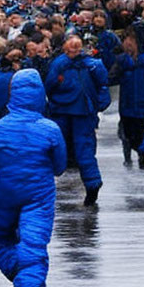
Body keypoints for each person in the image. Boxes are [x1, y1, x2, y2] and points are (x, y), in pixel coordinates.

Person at [0, 69, 67, 287]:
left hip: (4, 192)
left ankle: (19, 272)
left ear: (12, 94)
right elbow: (60, 166)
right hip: (39, 194)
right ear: (40, 95)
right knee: (33, 247)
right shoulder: (50, 129)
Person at [43, 34, 110, 206]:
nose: (74, 50)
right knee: (82, 148)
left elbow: (49, 87)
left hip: (68, 111)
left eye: (76, 47)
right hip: (79, 111)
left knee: (68, 148)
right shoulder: (89, 64)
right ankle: (92, 183)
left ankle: (91, 183)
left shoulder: (65, 64)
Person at [109, 29, 144, 169]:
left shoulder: (142, 61)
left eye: (130, 41)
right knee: (131, 136)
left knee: (135, 136)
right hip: (130, 105)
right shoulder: (124, 60)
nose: (128, 44)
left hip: (138, 105)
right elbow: (111, 78)